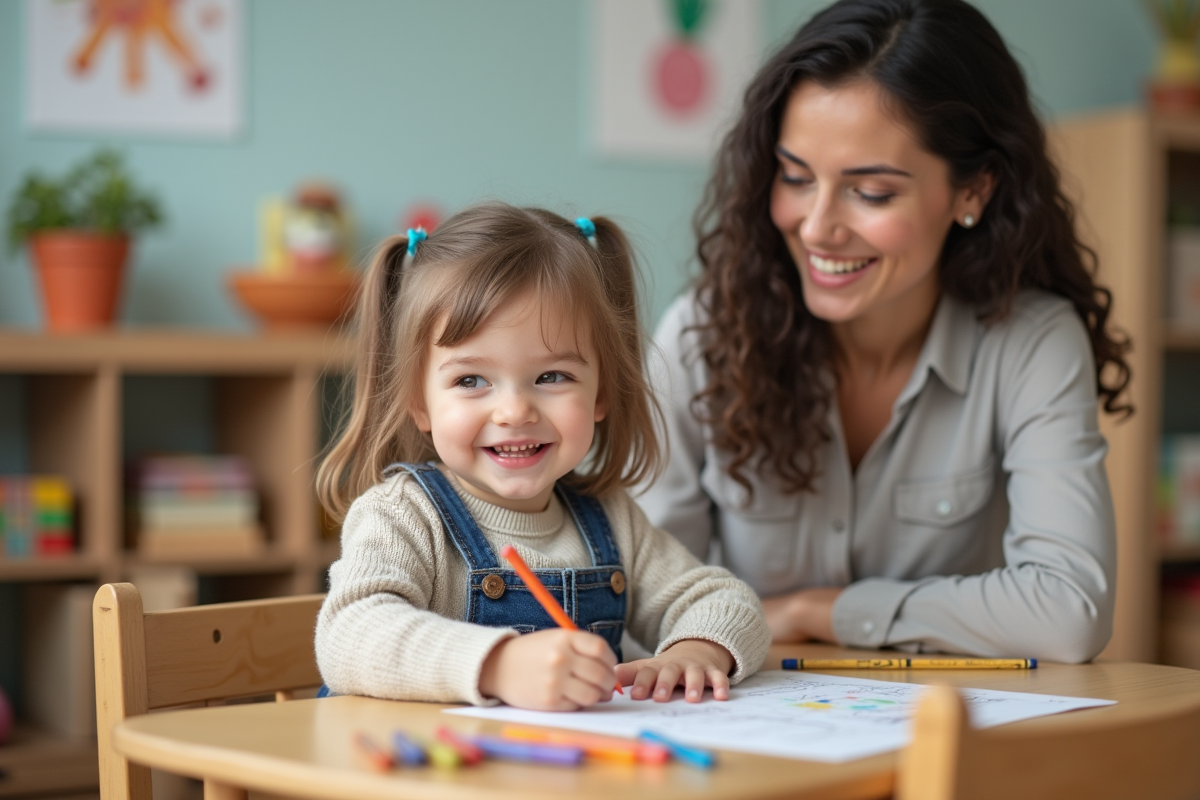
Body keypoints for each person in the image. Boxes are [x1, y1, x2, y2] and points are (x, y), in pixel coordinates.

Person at [637, 0, 1131, 663]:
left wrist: (825, 611)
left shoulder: (1031, 342)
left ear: (973, 192)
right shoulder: (700, 337)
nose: (816, 227)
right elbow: (640, 607)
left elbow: (1069, 610)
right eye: (795, 177)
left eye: (870, 192)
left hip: (947, 739)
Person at [314, 203, 769, 711]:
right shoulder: (402, 515)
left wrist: (696, 650)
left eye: (552, 377)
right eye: (471, 380)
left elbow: (725, 601)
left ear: (601, 394)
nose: (513, 411)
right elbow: (350, 634)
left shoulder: (612, 520)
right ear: (419, 402)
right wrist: (499, 666)